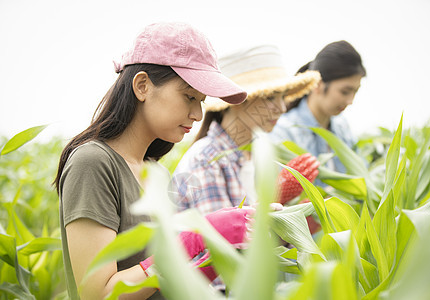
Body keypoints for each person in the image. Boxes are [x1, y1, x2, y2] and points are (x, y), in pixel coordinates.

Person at [54, 22, 254, 300]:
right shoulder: (93, 162)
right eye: (188, 97)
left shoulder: (154, 172)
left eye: (202, 101)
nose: (197, 114)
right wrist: (198, 239)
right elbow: (98, 294)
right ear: (142, 86)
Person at [172, 44, 321, 215]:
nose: (282, 108)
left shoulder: (258, 156)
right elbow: (222, 238)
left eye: (284, 97)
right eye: (271, 97)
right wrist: (275, 198)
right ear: (236, 100)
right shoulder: (207, 159)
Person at [270, 40, 366, 186]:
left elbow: (361, 178)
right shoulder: (284, 133)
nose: (350, 100)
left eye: (355, 92)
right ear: (318, 84)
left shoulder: (342, 128)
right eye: (345, 92)